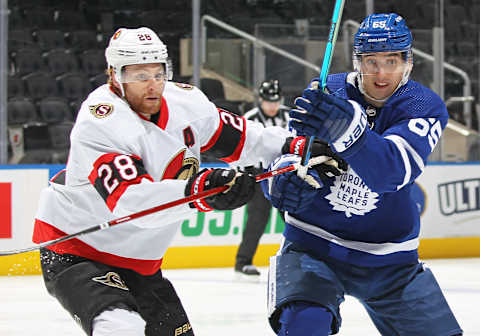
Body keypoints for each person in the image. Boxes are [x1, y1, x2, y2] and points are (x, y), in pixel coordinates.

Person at [31, 27, 343, 336]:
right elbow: (132, 203)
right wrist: (201, 191)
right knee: (119, 326)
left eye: (158, 73)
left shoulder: (185, 103)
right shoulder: (101, 122)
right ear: (114, 75)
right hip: (77, 250)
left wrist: (297, 147)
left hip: (142, 264)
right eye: (139, 76)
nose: (153, 85)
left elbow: (245, 138)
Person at [262, 13, 463, 336]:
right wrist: (280, 182)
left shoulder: (424, 105)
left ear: (408, 62)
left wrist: (346, 128)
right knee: (304, 326)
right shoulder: (327, 90)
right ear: (357, 61)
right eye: (371, 61)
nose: (381, 73)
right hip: (314, 246)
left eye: (391, 61)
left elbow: (391, 172)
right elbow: (285, 154)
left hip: (390, 262)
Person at [234, 79, 290, 276]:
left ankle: (298, 257)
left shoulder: (288, 115)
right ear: (260, 100)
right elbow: (239, 148)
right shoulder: (250, 118)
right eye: (268, 101)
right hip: (260, 175)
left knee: (292, 218)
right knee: (257, 218)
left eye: (276, 101)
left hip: (284, 174)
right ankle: (243, 261)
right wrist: (245, 174)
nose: (272, 106)